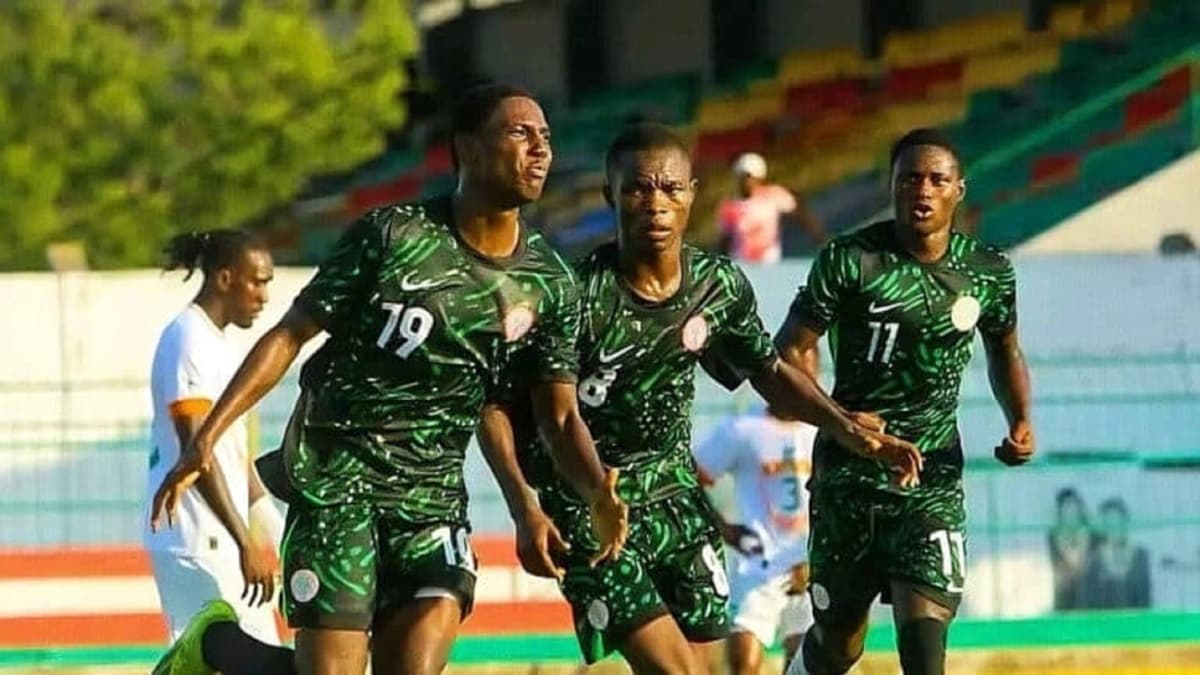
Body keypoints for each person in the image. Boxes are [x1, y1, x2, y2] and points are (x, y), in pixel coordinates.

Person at [148, 82, 628, 675]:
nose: (540, 150)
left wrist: (570, 495)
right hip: (338, 485)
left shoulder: (550, 283)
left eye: (547, 138)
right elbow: (290, 334)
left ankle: (220, 648)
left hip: (432, 503)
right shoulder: (392, 236)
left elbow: (548, 414)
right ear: (470, 150)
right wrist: (206, 439)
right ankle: (215, 647)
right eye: (520, 133)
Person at [478, 123, 922, 675]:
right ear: (609, 195)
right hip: (590, 504)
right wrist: (528, 506)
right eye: (639, 189)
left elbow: (771, 371)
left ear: (692, 193)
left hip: (676, 502)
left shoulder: (717, 288)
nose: (656, 204)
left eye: (670, 188)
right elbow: (521, 407)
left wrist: (845, 427)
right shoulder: (573, 296)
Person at [777, 128, 1036, 675]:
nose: (923, 189)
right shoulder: (850, 260)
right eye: (910, 178)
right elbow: (787, 355)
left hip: (930, 478)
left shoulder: (986, 272)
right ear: (891, 187)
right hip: (849, 477)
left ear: (958, 190)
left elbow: (1005, 349)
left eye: (937, 179)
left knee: (924, 650)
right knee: (838, 645)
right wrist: (842, 421)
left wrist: (1021, 420)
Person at [143, 229, 283, 647]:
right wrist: (245, 542)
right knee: (238, 659)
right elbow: (196, 454)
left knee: (247, 658)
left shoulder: (219, 345)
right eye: (257, 281)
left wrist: (273, 528)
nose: (264, 296)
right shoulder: (188, 340)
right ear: (225, 278)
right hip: (197, 538)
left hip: (220, 534)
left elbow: (233, 456)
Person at [693, 385, 820, 674]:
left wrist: (820, 552)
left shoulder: (821, 432)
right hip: (757, 563)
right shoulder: (743, 429)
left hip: (809, 564)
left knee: (805, 663)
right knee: (743, 662)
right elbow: (691, 477)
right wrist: (723, 528)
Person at [716, 153, 822, 264]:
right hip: (741, 265)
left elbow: (802, 215)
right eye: (743, 177)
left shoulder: (772, 196)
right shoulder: (730, 206)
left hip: (769, 264)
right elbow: (725, 240)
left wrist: (820, 239)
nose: (746, 182)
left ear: (759, 177)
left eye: (750, 177)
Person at [1082, 497, 1151, 609]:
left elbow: (1145, 602)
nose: (1114, 527)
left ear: (1125, 523)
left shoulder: (1141, 556)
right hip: (1101, 625)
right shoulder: (1092, 559)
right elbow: (1087, 606)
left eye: (1118, 521)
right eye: (1109, 522)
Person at [1048, 487, 1094, 611]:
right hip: (1063, 607)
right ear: (1060, 513)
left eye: (1074, 508)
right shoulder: (1053, 539)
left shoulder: (1094, 537)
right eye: (1066, 509)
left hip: (1092, 607)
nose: (1071, 513)